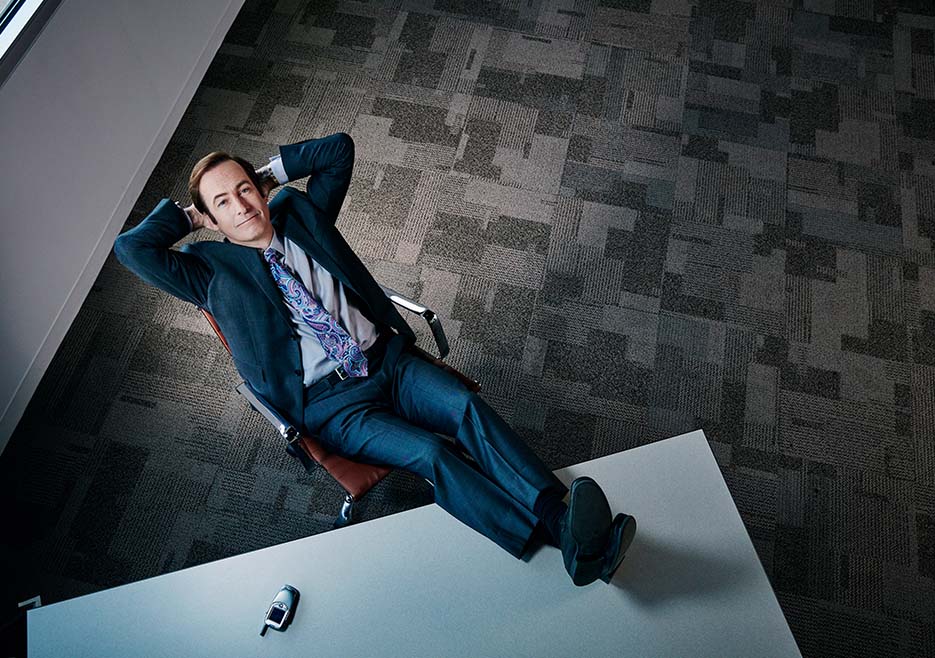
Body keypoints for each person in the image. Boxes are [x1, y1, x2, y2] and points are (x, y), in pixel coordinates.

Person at [113, 132, 636, 586]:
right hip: (333, 406)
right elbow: (131, 249)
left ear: (262, 190)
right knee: (432, 453)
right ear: (210, 218)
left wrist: (265, 177)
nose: (242, 206)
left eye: (245, 189)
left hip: (388, 361)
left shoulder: (300, 213)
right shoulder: (206, 270)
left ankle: (566, 527)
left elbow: (337, 151)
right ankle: (564, 537)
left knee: (465, 408)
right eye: (223, 202)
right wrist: (190, 216)